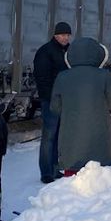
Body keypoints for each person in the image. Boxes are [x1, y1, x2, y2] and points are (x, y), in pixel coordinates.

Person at [51, 37, 111, 174]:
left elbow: (55, 108)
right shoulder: (104, 75)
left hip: (71, 149)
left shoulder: (62, 77)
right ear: (98, 55)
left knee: (72, 187)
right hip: (100, 147)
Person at [33, 22, 71, 183]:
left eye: (68, 35)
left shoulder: (68, 51)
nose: (65, 38)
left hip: (65, 100)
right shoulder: (45, 52)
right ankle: (46, 172)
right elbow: (42, 79)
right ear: (55, 35)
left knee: (58, 136)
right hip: (50, 100)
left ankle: (55, 168)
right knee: (49, 136)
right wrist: (51, 98)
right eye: (62, 35)